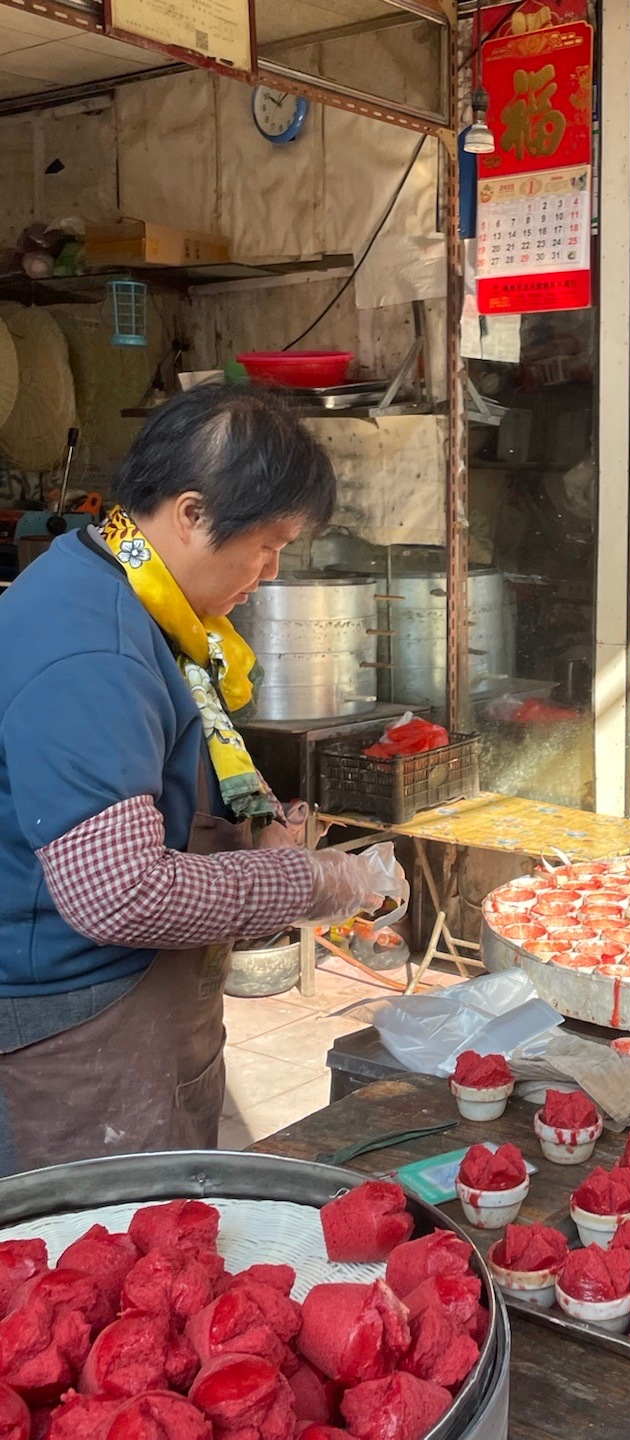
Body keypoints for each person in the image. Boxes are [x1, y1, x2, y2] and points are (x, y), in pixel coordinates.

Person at [0, 384, 392, 1175]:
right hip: (81, 1027)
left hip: (142, 1002)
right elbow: (119, 892)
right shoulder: (94, 645)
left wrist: (260, 827)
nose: (271, 571)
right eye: (267, 543)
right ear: (189, 514)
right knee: (104, 1262)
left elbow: (156, 768)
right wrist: (313, 881)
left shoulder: (125, 582)